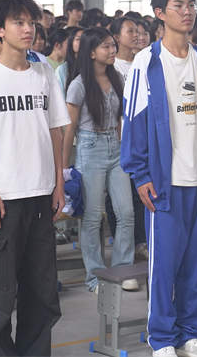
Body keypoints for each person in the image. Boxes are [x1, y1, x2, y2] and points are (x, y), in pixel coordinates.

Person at [121, 0, 197, 357]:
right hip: (164, 182)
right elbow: (133, 122)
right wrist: (140, 174)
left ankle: (190, 333)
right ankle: (162, 338)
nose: (188, 12)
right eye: (179, 5)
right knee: (164, 266)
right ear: (159, 13)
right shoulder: (146, 62)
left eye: (191, 5)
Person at [0, 0, 69, 356]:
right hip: (2, 199)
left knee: (41, 292)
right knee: (1, 297)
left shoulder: (44, 75)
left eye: (31, 23)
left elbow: (56, 131)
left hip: (40, 195)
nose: (28, 29)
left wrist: (59, 183)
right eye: (18, 23)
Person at [61, 28, 136, 293]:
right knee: (92, 218)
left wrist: (124, 146)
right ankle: (94, 276)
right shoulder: (79, 84)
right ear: (92, 52)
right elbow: (69, 128)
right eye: (106, 46)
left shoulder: (117, 78)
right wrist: (63, 167)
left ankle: (122, 269)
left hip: (116, 147)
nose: (112, 50)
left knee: (126, 213)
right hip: (89, 149)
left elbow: (120, 118)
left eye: (113, 45)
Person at [111, 17, 139, 83]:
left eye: (136, 31)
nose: (136, 35)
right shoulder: (112, 65)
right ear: (117, 37)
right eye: (130, 31)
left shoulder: (141, 60)